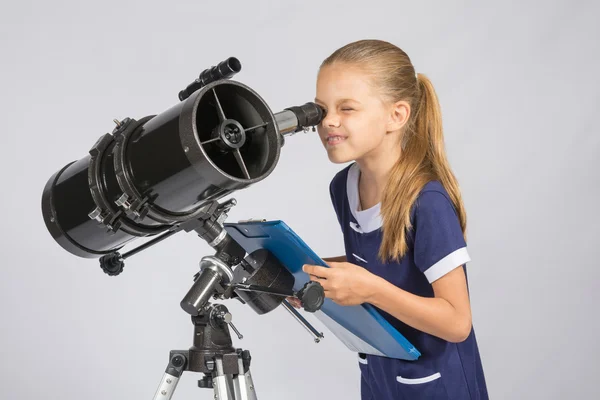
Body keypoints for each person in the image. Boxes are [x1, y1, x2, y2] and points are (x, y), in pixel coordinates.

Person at [290, 39, 488, 399]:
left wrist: (369, 289)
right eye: (321, 110)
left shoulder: (427, 202)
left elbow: (457, 322)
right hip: (382, 377)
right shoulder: (344, 186)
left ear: (396, 115)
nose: (328, 121)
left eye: (347, 108)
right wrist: (305, 272)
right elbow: (385, 266)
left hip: (437, 386)